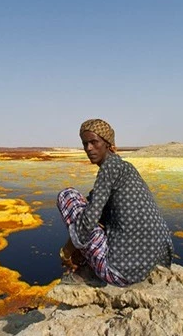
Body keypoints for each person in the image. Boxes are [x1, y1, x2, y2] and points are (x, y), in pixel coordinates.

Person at [57, 118, 173, 287]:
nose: (89, 148)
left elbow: (89, 220)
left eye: (94, 142)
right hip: (154, 264)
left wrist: (67, 251)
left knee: (67, 195)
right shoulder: (125, 168)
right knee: (91, 207)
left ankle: (89, 272)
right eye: (85, 143)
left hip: (120, 273)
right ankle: (90, 262)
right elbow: (96, 204)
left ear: (107, 143)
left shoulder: (109, 168)